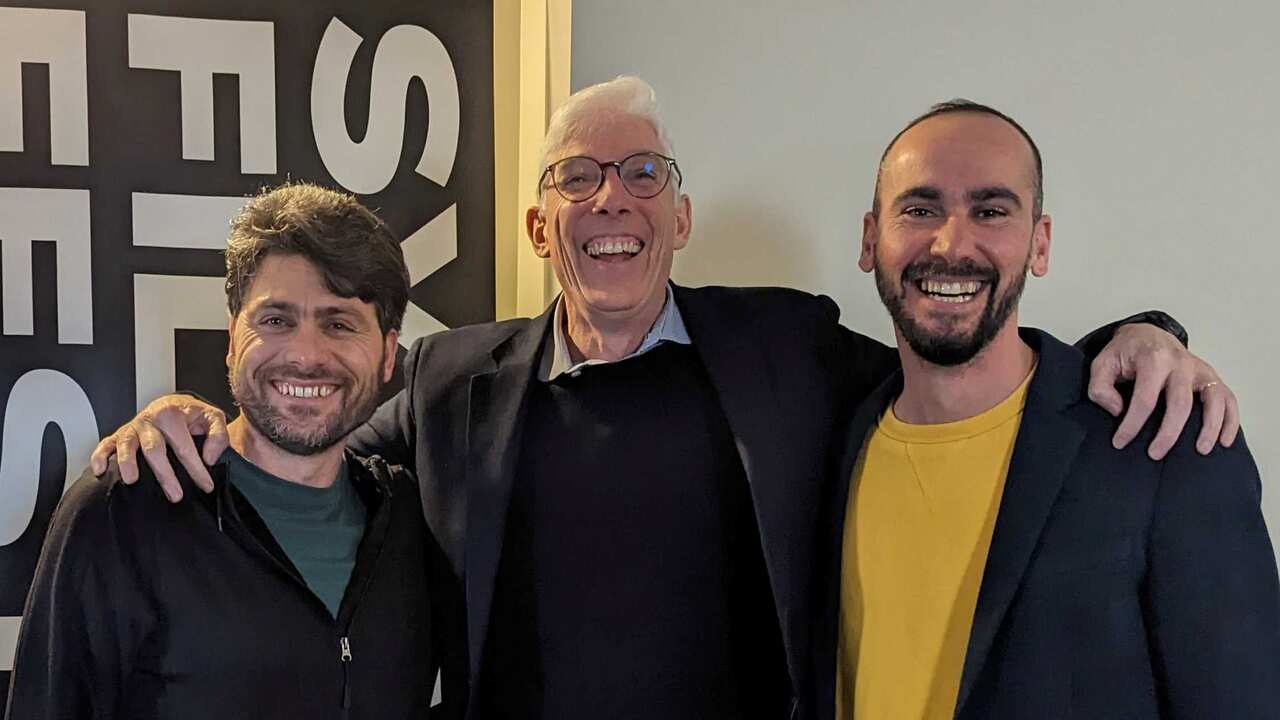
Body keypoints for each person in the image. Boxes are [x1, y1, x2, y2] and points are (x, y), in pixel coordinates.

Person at [90, 78, 1237, 719]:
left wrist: (1136, 339)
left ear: (677, 220)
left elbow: (955, 350)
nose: (613, 198)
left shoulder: (784, 347)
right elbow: (307, 433)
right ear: (540, 228)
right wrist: (187, 417)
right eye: (577, 177)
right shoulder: (448, 382)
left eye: (643, 173)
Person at [820, 101, 1280, 720]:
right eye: (921, 209)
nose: (952, 242)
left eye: (990, 211)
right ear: (872, 239)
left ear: (1039, 243)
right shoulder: (828, 438)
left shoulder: (1165, 436)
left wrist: (1153, 330)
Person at [5, 183, 454, 720]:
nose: (306, 355)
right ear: (232, 337)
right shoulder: (122, 510)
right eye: (276, 320)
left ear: (386, 355)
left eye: (339, 324)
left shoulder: (414, 518)